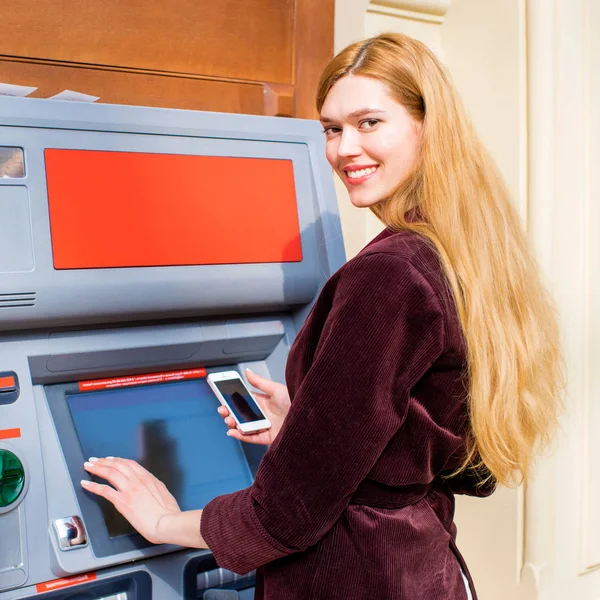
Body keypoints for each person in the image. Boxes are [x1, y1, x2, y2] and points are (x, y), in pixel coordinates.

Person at [81, 33, 563, 599]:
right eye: (332, 129)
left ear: (428, 125)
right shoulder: (460, 254)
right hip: (420, 568)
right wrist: (312, 425)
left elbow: (288, 512)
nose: (344, 149)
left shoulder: (389, 274)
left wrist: (164, 522)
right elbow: (457, 458)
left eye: (368, 123)